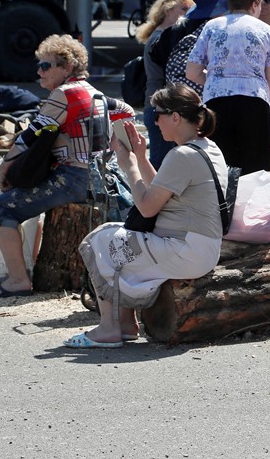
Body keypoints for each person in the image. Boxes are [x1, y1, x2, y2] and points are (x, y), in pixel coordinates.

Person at [64, 84, 227, 348]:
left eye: (156, 115)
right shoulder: (206, 147)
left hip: (185, 250)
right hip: (201, 248)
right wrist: (140, 156)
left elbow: (148, 207)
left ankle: (108, 328)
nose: (154, 122)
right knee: (120, 241)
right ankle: (127, 324)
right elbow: (162, 191)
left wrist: (128, 166)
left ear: (175, 117)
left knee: (99, 240)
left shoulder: (182, 154)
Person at [0, 34, 133, 298]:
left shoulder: (64, 94)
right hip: (101, 175)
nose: (39, 71)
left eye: (46, 65)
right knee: (25, 206)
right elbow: (128, 112)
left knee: (1, 208)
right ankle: (31, 268)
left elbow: (31, 135)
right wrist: (112, 146)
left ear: (68, 67)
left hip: (74, 177)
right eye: (39, 65)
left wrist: (5, 166)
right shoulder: (94, 92)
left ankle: (18, 279)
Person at [186, 0, 270, 174]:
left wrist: (214, 79)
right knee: (255, 169)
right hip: (255, 101)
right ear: (255, 3)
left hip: (217, 101)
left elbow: (192, 72)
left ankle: (222, 205)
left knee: (221, 165)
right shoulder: (266, 30)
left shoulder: (212, 27)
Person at [135, 0, 194, 169]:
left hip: (159, 107)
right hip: (158, 108)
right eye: (183, 8)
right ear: (168, 10)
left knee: (165, 164)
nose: (187, 13)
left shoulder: (161, 36)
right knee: (160, 165)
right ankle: (147, 196)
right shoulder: (160, 39)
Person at [151, 0, 229, 97]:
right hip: (206, 101)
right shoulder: (213, 30)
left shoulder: (173, 31)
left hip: (173, 100)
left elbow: (154, 58)